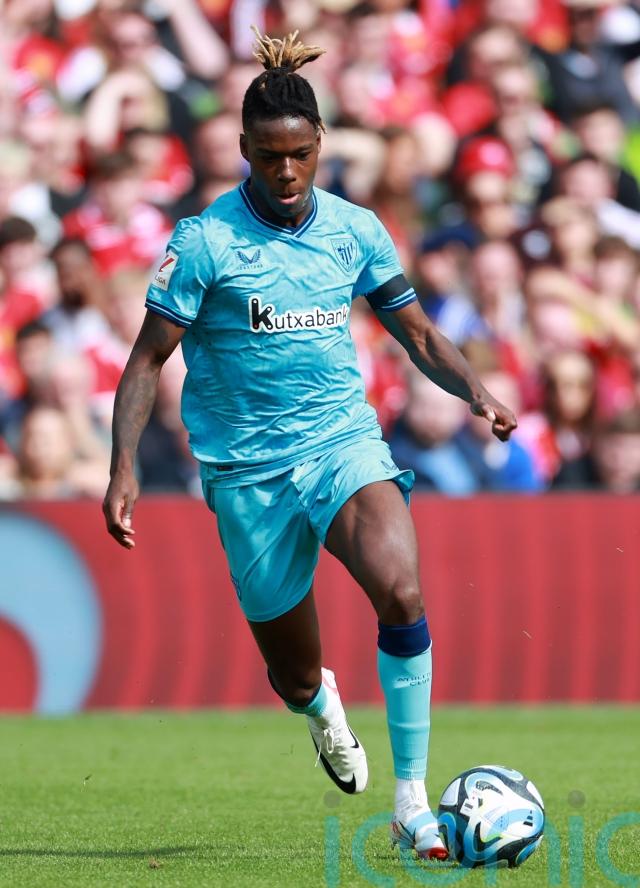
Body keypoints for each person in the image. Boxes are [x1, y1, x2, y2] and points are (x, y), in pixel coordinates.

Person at [102, 28, 517, 862]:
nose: (286, 173)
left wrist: (476, 391)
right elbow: (146, 361)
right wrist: (123, 470)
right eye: (268, 157)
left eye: (299, 155)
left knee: (401, 591)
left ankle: (411, 801)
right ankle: (320, 705)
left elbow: (417, 332)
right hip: (246, 473)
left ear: (321, 142)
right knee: (293, 677)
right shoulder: (205, 243)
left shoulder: (355, 230)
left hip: (340, 444)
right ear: (243, 149)